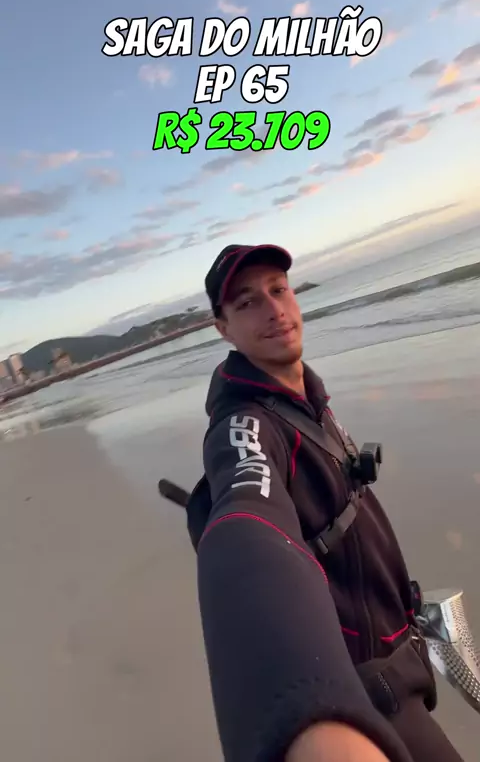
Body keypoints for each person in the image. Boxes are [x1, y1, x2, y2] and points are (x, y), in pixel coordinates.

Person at [185, 243, 464, 762]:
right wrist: (307, 712)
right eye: (247, 302)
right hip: (365, 687)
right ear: (223, 328)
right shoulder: (243, 426)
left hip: (398, 653)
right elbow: (246, 522)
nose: (273, 309)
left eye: (278, 289)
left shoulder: (305, 398)